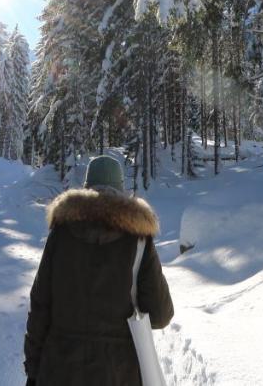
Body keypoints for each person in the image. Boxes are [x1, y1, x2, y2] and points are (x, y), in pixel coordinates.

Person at [23, 155, 174, 385]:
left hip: (60, 369)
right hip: (118, 372)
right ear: (121, 189)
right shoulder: (139, 240)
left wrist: (33, 371)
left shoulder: (61, 233)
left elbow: (40, 305)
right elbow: (161, 315)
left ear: (86, 187)